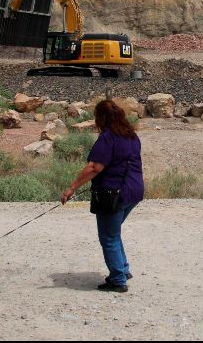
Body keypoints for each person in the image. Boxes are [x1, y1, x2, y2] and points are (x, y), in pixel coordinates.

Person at [61, 99, 144, 292]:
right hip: (134, 191)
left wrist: (71, 188)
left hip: (114, 194)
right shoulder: (132, 136)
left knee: (108, 237)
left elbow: (94, 167)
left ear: (102, 118)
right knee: (113, 233)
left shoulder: (108, 137)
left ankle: (118, 280)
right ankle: (122, 269)